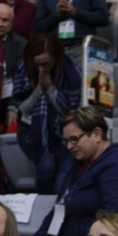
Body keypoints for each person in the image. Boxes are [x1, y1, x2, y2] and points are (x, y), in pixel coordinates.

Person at [20, 106, 118, 236]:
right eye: (66, 141)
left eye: (74, 139)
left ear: (97, 134)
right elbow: (57, 215)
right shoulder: (79, 166)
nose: (69, 146)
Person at [12, 34, 81, 194]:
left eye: (46, 64)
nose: (41, 69)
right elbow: (22, 108)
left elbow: (71, 112)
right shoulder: (25, 67)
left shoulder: (72, 70)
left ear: (57, 58)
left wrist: (50, 88)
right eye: (37, 64)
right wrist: (39, 88)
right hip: (33, 133)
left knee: (61, 183)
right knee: (46, 167)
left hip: (66, 135)